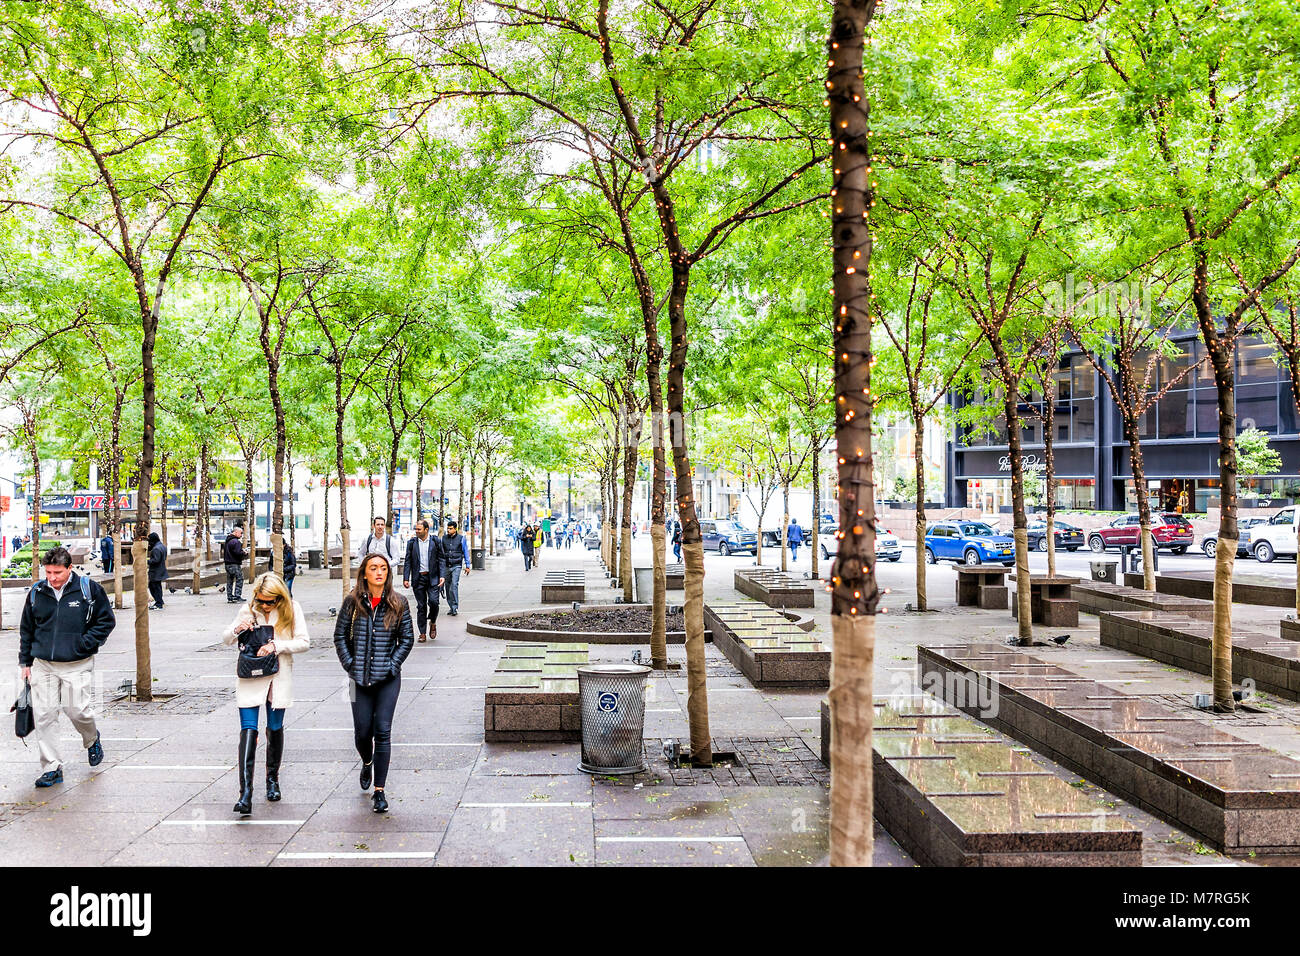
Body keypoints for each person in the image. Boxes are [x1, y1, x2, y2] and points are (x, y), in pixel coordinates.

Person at [19, 547, 115, 788]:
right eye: (48, 571)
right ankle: (52, 767)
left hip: (77, 663)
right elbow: (27, 628)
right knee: (44, 716)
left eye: (57, 572)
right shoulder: (37, 592)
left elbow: (106, 621)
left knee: (77, 710)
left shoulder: (87, 589)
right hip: (43, 665)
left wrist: (84, 644)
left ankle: (91, 738)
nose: (52, 577)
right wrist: (25, 662)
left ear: (69, 568)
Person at [221, 572, 310, 816]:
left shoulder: (292, 609)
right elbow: (226, 638)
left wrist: (276, 645)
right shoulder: (249, 609)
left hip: (278, 677)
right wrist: (240, 627)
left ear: (279, 598)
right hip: (251, 676)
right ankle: (245, 793)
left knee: (275, 728)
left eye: (270, 601)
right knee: (248, 730)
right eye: (261, 600)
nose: (265, 605)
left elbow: (303, 642)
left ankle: (272, 780)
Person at [334, 553, 414, 813]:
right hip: (357, 680)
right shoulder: (352, 602)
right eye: (373, 568)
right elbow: (340, 637)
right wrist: (350, 664)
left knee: (382, 731)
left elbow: (407, 639)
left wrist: (392, 665)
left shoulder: (399, 603)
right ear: (364, 573)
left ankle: (379, 790)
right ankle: (366, 760)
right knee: (362, 732)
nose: (379, 572)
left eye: (383, 568)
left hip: (388, 679)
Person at [402, 518, 445, 642]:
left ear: (426, 530)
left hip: (433, 578)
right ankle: (422, 633)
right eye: (416, 529)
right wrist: (406, 578)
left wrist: (442, 575)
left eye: (419, 529)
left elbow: (442, 559)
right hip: (418, 578)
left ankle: (433, 621)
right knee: (421, 606)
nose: (416, 531)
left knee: (434, 602)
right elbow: (407, 561)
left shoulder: (435, 541)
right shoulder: (412, 543)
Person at [440, 519, 470, 615]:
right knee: (448, 587)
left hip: (456, 565)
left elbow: (465, 552)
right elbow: (441, 552)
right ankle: (451, 606)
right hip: (446, 566)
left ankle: (454, 607)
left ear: (455, 529)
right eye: (447, 528)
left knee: (454, 585)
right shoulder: (443, 539)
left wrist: (467, 565)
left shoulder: (461, 538)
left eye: (450, 529)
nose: (448, 530)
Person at [222, 524, 247, 603]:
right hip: (234, 564)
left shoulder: (228, 540)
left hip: (227, 564)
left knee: (230, 580)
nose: (241, 535)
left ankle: (229, 597)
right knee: (240, 578)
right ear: (236, 532)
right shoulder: (236, 542)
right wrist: (244, 553)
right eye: (240, 533)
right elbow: (237, 553)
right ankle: (237, 596)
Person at [146, 531, 168, 609]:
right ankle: (160, 601)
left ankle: (159, 603)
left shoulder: (156, 549)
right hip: (161, 570)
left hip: (155, 571)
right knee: (157, 586)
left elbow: (156, 560)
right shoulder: (162, 546)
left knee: (154, 587)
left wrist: (147, 561)